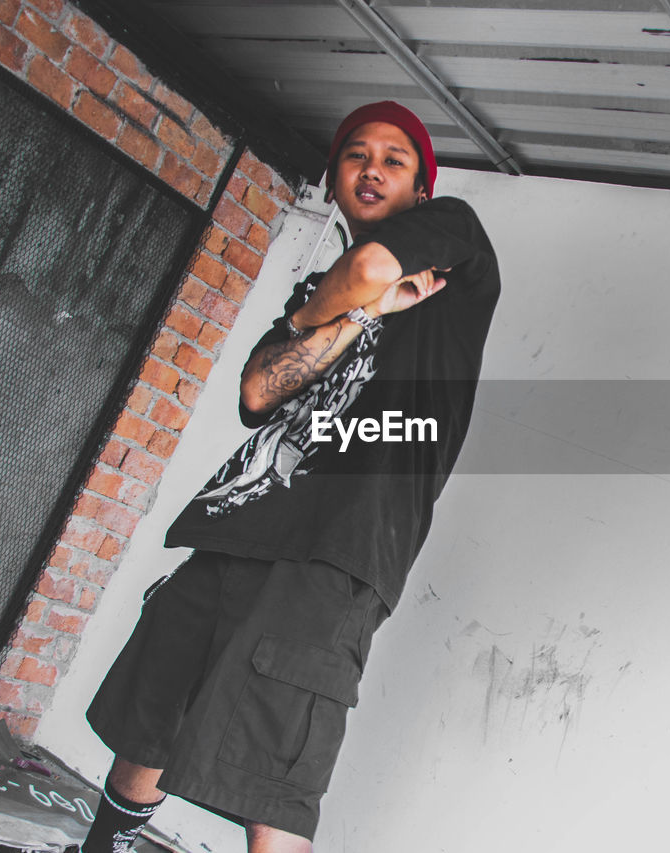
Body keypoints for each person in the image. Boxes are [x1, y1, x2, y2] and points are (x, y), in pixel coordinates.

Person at [80, 101, 500, 852]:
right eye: (354, 155)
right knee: (153, 714)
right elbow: (257, 392)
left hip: (337, 554)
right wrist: (351, 318)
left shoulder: (455, 243)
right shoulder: (315, 296)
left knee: (272, 773)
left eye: (392, 158)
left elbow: (373, 265)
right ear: (333, 182)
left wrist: (363, 294)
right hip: (241, 524)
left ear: (423, 189)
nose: (370, 167)